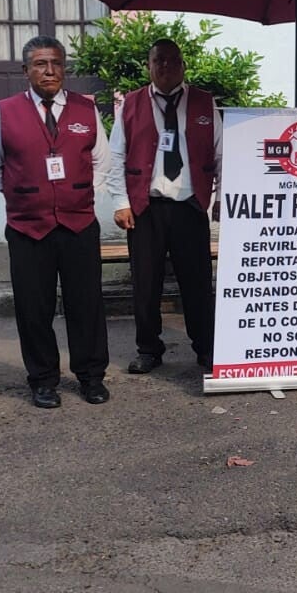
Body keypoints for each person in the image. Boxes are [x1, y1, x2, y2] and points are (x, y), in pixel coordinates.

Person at [0, 36, 111, 409]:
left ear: (63, 68)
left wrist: (77, 193)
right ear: (26, 71)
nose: (49, 71)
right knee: (33, 309)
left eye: (56, 63)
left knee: (86, 305)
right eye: (40, 64)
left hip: (79, 225)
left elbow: (102, 162)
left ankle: (91, 377)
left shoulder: (86, 110)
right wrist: (24, 194)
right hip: (27, 229)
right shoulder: (3, 113)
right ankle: (43, 380)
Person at [106, 39, 221, 375]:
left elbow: (221, 154)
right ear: (149, 66)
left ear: (183, 65)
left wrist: (222, 201)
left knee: (197, 283)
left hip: (190, 207)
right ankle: (148, 349)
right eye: (159, 60)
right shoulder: (131, 103)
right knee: (145, 284)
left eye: (173, 60)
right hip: (146, 208)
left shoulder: (204, 102)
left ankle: (206, 348)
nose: (166, 66)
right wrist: (121, 203)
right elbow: (116, 156)